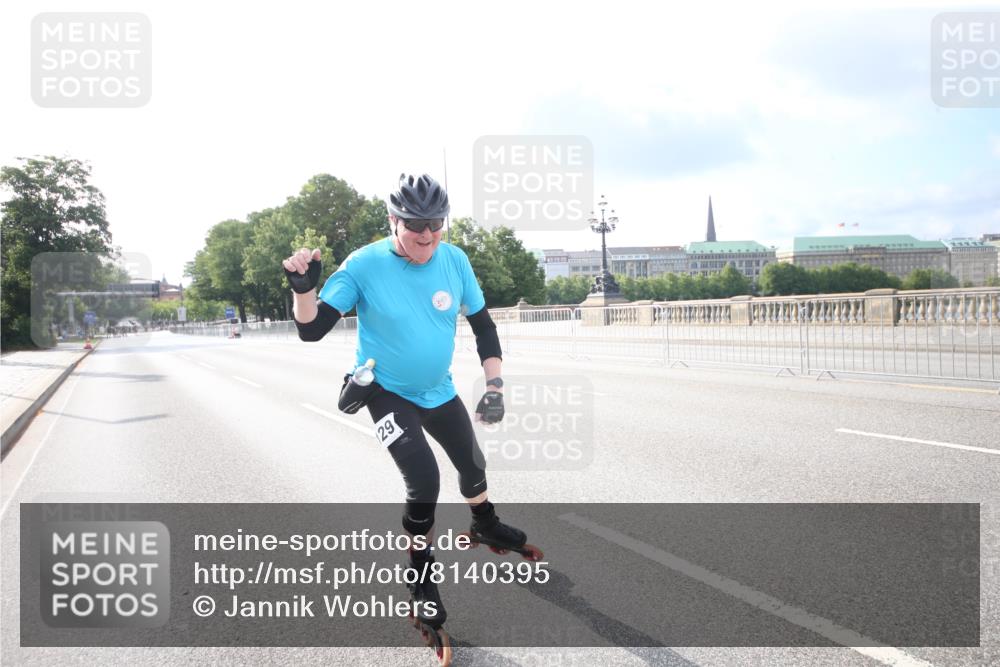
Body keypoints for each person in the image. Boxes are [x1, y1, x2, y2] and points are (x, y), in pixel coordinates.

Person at [281, 173, 533, 633]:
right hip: (386, 391)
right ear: (393, 220)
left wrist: (494, 386)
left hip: (438, 388)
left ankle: (486, 524)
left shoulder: (454, 260)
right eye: (416, 223)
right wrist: (303, 291)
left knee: (473, 464)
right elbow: (311, 329)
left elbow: (483, 326)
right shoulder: (362, 265)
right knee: (424, 478)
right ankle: (419, 575)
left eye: (436, 222)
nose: (427, 234)